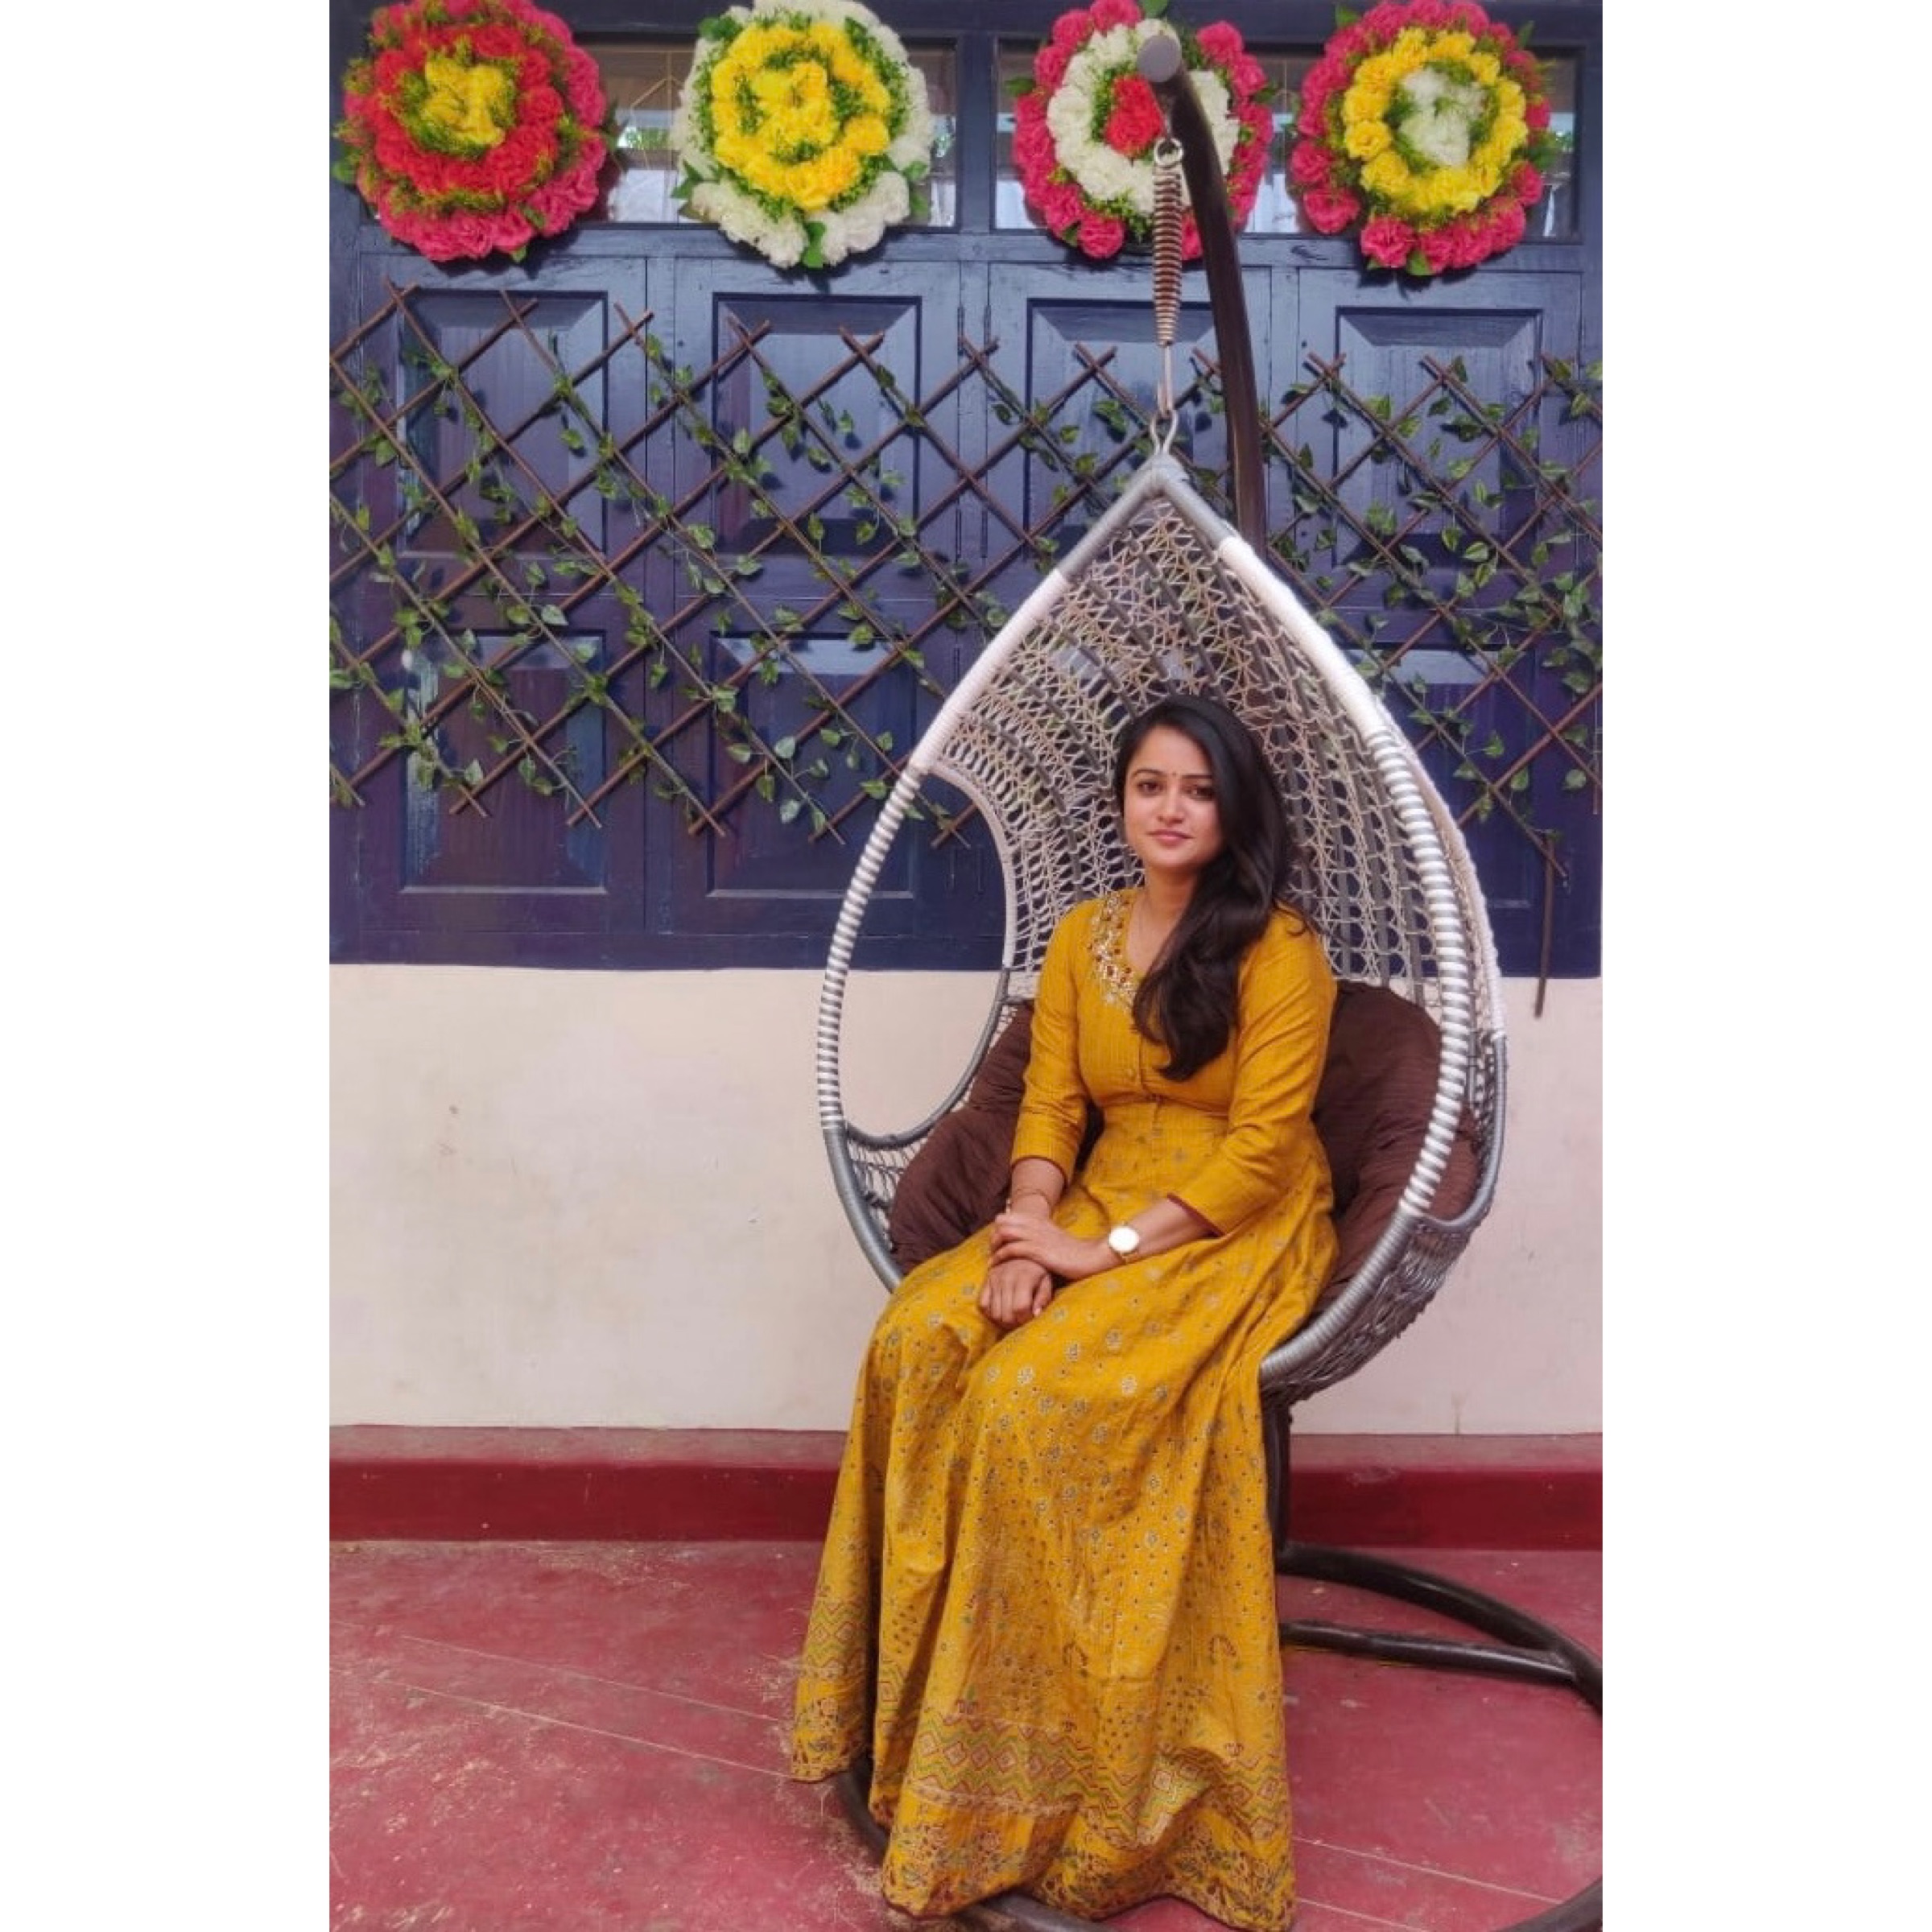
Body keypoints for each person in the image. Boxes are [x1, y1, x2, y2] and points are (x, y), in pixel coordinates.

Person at [790, 692, 1339, 1931]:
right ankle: (916, 1727)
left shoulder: (1278, 950)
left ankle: (1054, 1785)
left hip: (1228, 1223)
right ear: (1122, 800)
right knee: (922, 1338)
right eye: (1151, 785)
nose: (1172, 809)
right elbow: (1051, 1108)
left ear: (1234, 810)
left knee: (1025, 1396)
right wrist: (1029, 1232)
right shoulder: (1084, 935)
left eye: (1198, 790)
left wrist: (1101, 1255)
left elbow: (1262, 1152)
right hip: (1093, 1196)